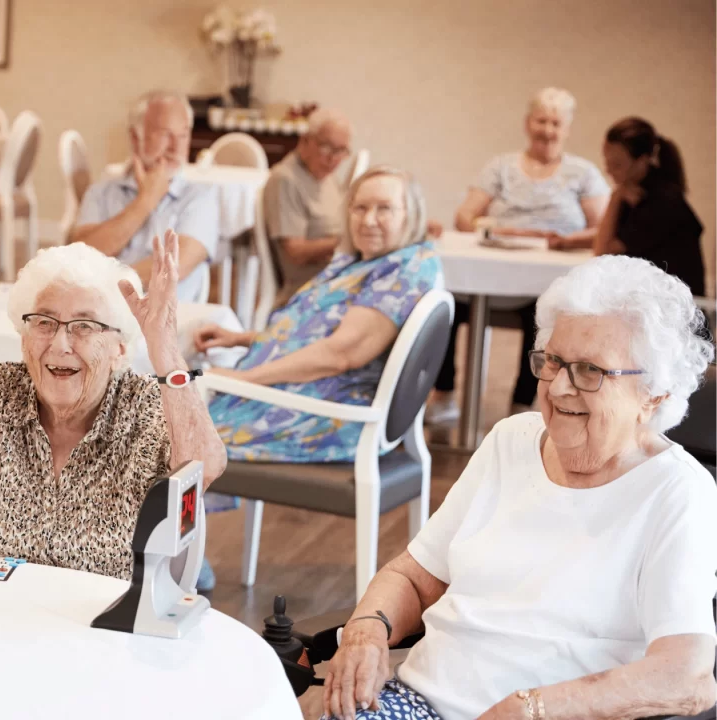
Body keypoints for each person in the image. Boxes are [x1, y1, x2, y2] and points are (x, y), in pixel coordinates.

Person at [321, 255, 717, 720]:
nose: (559, 388)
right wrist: (366, 631)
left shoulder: (675, 491)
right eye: (553, 361)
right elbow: (413, 576)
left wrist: (531, 708)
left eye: (590, 370)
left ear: (654, 394)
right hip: (416, 703)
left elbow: (686, 676)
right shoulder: (511, 441)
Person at [0, 194, 227, 579]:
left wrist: (167, 352)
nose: (60, 343)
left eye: (84, 326)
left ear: (120, 348)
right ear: (24, 337)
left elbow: (203, 469)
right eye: (44, 322)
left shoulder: (145, 408)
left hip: (93, 627)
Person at [197, 167, 441, 462]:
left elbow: (341, 353)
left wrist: (244, 378)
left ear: (410, 215)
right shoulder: (364, 262)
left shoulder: (404, 270)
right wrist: (242, 338)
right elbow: (315, 332)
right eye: (360, 207)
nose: (368, 220)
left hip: (321, 414)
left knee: (170, 438)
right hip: (291, 396)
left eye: (384, 208)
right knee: (159, 416)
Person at [430, 87, 611, 422]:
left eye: (555, 123)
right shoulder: (500, 167)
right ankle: (444, 394)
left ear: (567, 129)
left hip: (548, 280)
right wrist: (503, 230)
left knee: (544, 312)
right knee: (444, 302)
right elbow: (464, 217)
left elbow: (603, 229)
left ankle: (522, 403)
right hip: (491, 271)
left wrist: (562, 240)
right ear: (528, 123)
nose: (547, 129)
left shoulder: (583, 173)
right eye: (541, 120)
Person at [70, 90, 220, 303]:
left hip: (167, 326)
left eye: (184, 134)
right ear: (135, 137)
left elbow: (178, 265)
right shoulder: (101, 193)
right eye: (165, 134)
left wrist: (104, 288)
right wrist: (146, 200)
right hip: (100, 319)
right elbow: (81, 254)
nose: (176, 147)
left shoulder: (201, 197)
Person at [594, 116, 707, 298]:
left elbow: (602, 253)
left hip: (678, 311)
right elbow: (612, 236)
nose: (608, 171)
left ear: (642, 161)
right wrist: (567, 241)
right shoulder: (636, 190)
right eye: (607, 162)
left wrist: (615, 198)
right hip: (657, 300)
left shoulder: (662, 201)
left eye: (617, 165)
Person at [263, 108, 353, 304]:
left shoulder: (326, 176)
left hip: (339, 276)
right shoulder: (286, 179)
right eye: (327, 147)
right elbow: (295, 253)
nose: (334, 159)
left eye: (341, 151)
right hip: (311, 289)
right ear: (305, 140)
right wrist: (346, 241)